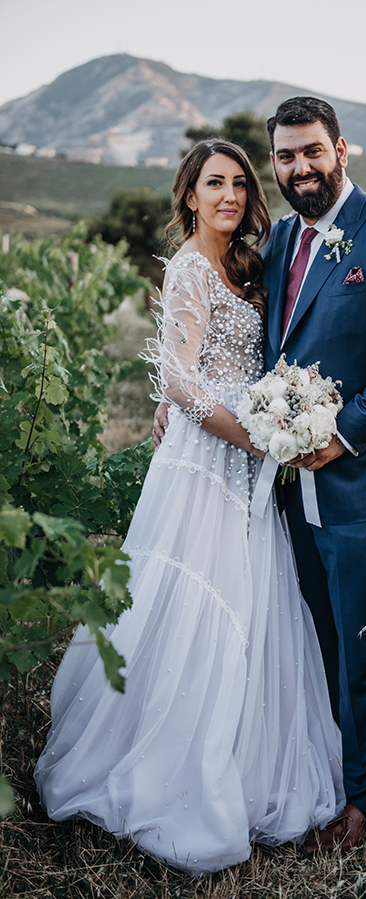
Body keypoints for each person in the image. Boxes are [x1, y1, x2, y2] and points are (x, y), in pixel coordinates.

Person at [34, 139, 345, 875]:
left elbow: (249, 362)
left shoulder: (251, 267)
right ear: (189, 196)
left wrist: (279, 423)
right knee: (194, 596)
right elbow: (178, 374)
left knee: (256, 601)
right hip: (207, 461)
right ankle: (169, 765)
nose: (230, 196)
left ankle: (250, 765)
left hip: (249, 467)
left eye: (240, 183)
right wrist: (253, 435)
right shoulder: (187, 268)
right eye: (215, 184)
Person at [154, 97, 366, 855]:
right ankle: (326, 770)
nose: (298, 169)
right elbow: (234, 339)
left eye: (311, 152)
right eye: (284, 158)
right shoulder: (281, 239)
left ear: (340, 150)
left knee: (365, 637)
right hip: (287, 480)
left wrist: (340, 433)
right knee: (316, 632)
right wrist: (171, 393)